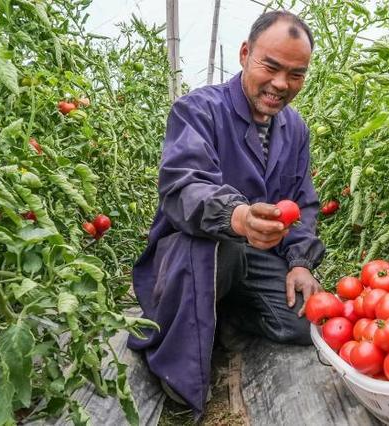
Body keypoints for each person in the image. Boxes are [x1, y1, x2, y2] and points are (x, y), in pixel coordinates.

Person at [127, 10, 325, 416]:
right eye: (270, 66)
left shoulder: (295, 128)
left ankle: (225, 315)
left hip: (258, 256)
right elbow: (183, 186)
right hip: (198, 249)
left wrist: (301, 262)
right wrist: (237, 216)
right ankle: (183, 356)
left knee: (303, 326)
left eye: (296, 74)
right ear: (245, 53)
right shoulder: (198, 110)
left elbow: (302, 201)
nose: (280, 84)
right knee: (224, 249)